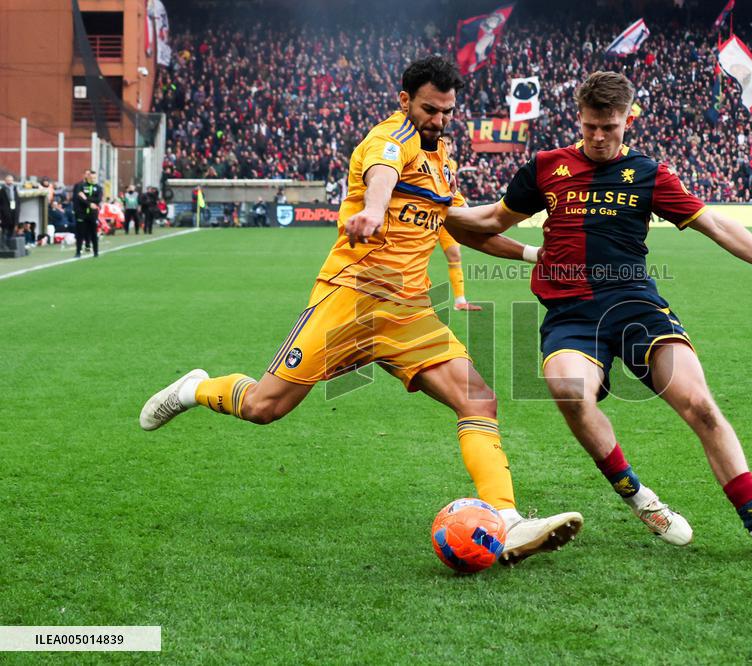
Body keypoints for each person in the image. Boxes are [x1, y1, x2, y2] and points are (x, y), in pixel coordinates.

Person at [140, 56, 582, 566]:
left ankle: (506, 522)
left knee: (478, 400)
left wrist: (534, 255)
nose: (438, 120)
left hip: (408, 312)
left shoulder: (443, 161)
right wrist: (373, 210)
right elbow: (382, 174)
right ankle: (193, 388)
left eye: (447, 111)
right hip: (350, 300)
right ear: (404, 101)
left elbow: (461, 226)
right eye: (429, 109)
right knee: (265, 408)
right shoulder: (387, 141)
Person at [445, 71, 752, 562]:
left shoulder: (649, 174)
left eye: (609, 127)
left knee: (701, 406)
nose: (599, 138)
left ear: (629, 119)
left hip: (635, 306)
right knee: (568, 391)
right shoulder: (546, 167)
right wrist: (425, 202)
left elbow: (715, 225)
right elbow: (484, 225)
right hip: (571, 314)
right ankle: (640, 499)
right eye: (589, 128)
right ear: (579, 119)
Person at [438, 133, 481, 311]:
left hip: (447, 216)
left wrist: (463, 205)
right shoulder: (431, 160)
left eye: (449, 143)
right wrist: (465, 207)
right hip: (429, 215)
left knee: (455, 255)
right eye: (444, 143)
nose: (446, 146)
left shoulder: (452, 164)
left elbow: (451, 192)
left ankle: (460, 301)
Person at [72, 169, 102, 258]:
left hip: (93, 214)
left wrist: (87, 198)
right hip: (82, 213)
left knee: (93, 233)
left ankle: (96, 252)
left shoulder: (98, 188)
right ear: (88, 177)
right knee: (80, 233)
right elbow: (79, 199)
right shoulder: (81, 186)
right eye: (91, 177)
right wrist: (89, 203)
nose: (93, 179)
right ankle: (78, 252)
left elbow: (98, 199)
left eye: (94, 178)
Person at [0, 174, 20, 248]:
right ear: (5, 181)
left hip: (14, 213)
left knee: (12, 230)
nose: (10, 182)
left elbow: (18, 201)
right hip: (5, 214)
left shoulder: (15, 189)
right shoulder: (2, 191)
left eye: (11, 180)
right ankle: (3, 246)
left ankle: (10, 245)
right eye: (8, 180)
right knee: (5, 231)